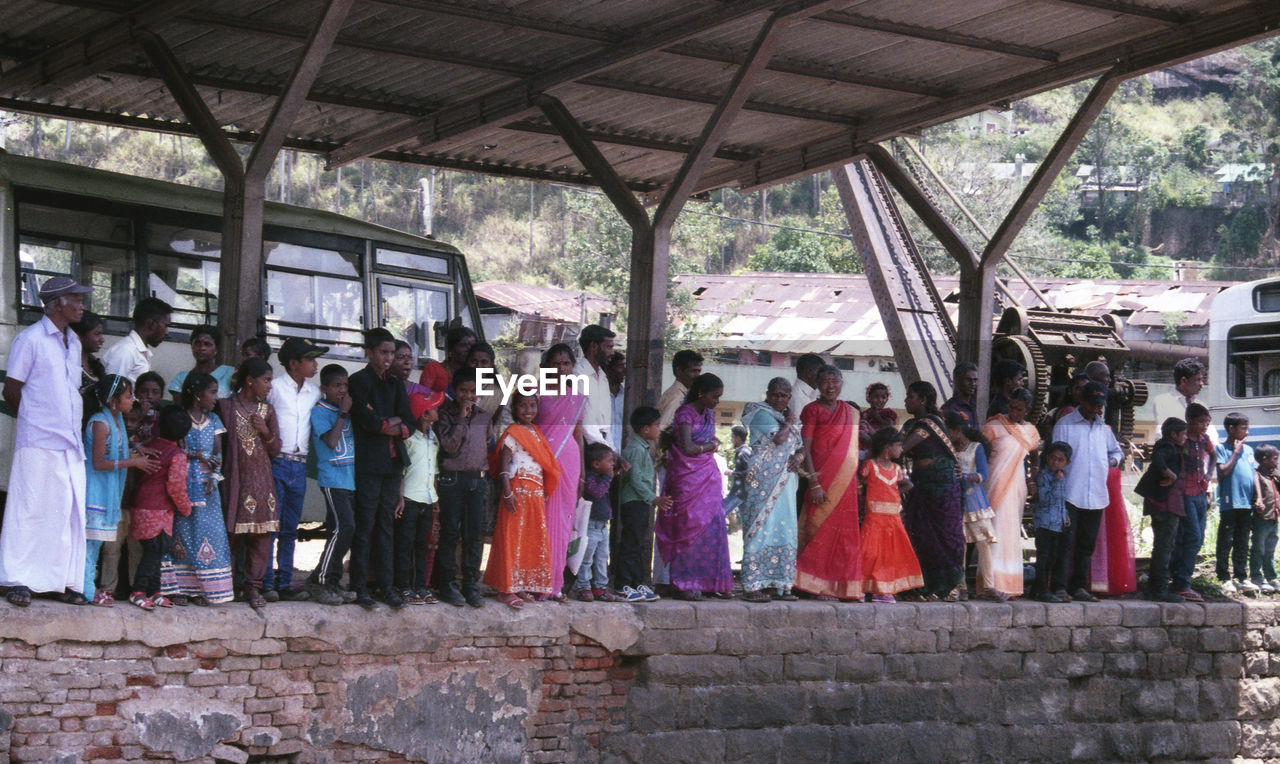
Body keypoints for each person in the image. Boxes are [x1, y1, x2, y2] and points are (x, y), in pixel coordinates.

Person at [0, 277, 94, 607]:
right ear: (57, 304)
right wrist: (35, 422)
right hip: (38, 439)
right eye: (75, 299)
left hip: (69, 442)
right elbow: (11, 389)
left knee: (64, 512)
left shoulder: (74, 343)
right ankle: (18, 580)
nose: (82, 305)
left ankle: (59, 582)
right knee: (28, 510)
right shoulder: (31, 340)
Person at [348, 328, 416, 610]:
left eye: (392, 353)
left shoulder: (396, 385)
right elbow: (366, 420)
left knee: (387, 526)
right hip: (368, 464)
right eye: (384, 353)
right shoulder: (358, 381)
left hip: (392, 464)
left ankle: (387, 587)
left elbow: (410, 422)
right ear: (370, 352)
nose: (389, 358)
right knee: (364, 525)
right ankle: (359, 587)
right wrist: (390, 424)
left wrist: (386, 425)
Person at [656, 373, 733, 600]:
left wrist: (710, 446)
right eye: (714, 396)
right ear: (701, 393)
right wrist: (710, 446)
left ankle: (711, 582)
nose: (716, 401)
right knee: (688, 528)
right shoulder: (684, 413)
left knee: (713, 527)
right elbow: (689, 447)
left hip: (708, 479)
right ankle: (685, 583)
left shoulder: (709, 413)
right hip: (686, 479)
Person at [83, 375, 158, 606]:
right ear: (114, 401)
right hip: (96, 490)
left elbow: (119, 450)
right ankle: (86, 590)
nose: (133, 399)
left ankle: (88, 587)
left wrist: (137, 450)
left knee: (97, 544)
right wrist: (133, 462)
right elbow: (98, 463)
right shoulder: (100, 423)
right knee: (90, 545)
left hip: (108, 492)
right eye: (128, 396)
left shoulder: (115, 422)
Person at [162, 372, 234, 606]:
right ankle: (180, 588)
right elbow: (176, 449)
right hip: (183, 483)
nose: (216, 397)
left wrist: (214, 475)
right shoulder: (180, 419)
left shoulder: (214, 420)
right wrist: (197, 455)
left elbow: (218, 453)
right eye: (212, 392)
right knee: (182, 533)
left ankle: (206, 588)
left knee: (207, 533)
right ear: (196, 395)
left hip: (207, 487)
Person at [485, 389, 561, 609]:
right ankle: (505, 590)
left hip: (535, 494)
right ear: (514, 409)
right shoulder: (513, 432)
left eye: (532, 406)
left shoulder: (536, 432)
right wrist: (507, 492)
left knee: (529, 540)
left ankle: (522, 585)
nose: (528, 410)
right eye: (523, 406)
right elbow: (504, 465)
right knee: (511, 539)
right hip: (517, 492)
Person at [262, 337, 325, 602]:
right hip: (276, 461)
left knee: (290, 526)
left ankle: (284, 581)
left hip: (299, 465)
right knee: (270, 525)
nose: (315, 364)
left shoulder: (314, 393)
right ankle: (265, 582)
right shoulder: (274, 388)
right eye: (310, 359)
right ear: (293, 363)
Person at [795, 365, 863, 601]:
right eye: (825, 382)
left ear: (841, 384)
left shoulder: (851, 412)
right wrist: (813, 483)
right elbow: (806, 448)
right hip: (820, 481)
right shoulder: (811, 410)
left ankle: (842, 587)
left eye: (835, 382)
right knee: (817, 530)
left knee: (844, 536)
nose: (830, 386)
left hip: (845, 485)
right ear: (817, 385)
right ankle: (813, 586)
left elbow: (853, 451)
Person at [218, 358, 282, 609]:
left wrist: (265, 431)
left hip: (262, 481)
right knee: (230, 534)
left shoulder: (268, 411)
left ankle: (253, 588)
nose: (269, 386)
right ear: (249, 380)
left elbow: (276, 449)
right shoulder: (224, 408)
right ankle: (226, 585)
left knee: (262, 536)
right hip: (235, 479)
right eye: (266, 380)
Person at [1051, 381, 1123, 602]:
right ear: (1082, 400)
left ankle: (1079, 586)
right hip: (1070, 493)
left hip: (1096, 495)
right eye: (1093, 405)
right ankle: (1059, 587)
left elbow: (1117, 451)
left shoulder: (1103, 428)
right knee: (1065, 543)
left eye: (1099, 405)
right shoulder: (1065, 424)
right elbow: (1055, 458)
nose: (1097, 410)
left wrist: (1111, 460)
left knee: (1086, 544)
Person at [435, 366, 495, 608]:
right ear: (454, 390)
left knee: (474, 535)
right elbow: (448, 447)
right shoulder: (445, 414)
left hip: (476, 480)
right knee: (450, 533)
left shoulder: (484, 416)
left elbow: (488, 447)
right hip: (452, 479)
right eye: (463, 391)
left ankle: (470, 584)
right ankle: (447, 584)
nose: (468, 396)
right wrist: (460, 417)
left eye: (472, 391)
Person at [901, 380, 965, 601]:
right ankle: (924, 585)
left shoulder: (929, 424)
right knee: (921, 534)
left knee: (946, 534)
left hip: (943, 484)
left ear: (923, 400)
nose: (906, 400)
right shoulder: (912, 424)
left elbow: (900, 448)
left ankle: (950, 585)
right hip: (922, 484)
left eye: (910, 396)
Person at [738, 379, 801, 603]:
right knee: (760, 528)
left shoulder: (786, 419)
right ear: (767, 393)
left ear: (789, 398)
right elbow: (780, 439)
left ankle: (779, 585)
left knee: (784, 529)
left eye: (784, 396)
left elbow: (799, 447)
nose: (779, 399)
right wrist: (791, 421)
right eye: (775, 395)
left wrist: (799, 457)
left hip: (785, 482)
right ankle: (752, 585)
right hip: (763, 481)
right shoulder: (759, 412)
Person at [532, 344, 586, 601]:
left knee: (562, 524)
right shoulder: (533, 391)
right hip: (539, 460)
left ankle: (554, 584)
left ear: (572, 366)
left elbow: (578, 434)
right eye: (555, 363)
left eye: (566, 363)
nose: (561, 368)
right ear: (545, 366)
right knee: (537, 521)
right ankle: (532, 582)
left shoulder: (576, 396)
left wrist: (583, 473)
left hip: (569, 462)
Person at [127, 405, 193, 611]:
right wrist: (186, 508)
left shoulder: (148, 445)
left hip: (140, 505)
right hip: (159, 512)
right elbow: (175, 487)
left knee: (155, 551)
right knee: (155, 552)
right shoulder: (177, 455)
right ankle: (138, 591)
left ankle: (156, 592)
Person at [981, 387, 1040, 600]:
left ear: (1027, 410)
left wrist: (1033, 479)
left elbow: (1034, 456)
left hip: (1016, 487)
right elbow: (981, 453)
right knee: (993, 532)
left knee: (1011, 533)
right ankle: (990, 585)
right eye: (1012, 407)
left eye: (1019, 409)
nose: (1014, 412)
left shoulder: (1031, 431)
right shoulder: (993, 426)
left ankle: (1010, 584)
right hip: (994, 484)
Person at [309, 364, 358, 606]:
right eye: (336, 385)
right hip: (332, 480)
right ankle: (320, 581)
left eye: (345, 385)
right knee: (344, 528)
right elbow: (330, 441)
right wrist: (342, 414)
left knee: (341, 531)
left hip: (350, 481)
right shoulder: (320, 412)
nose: (342, 390)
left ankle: (333, 581)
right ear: (324, 388)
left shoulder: (348, 411)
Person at [860, 427, 923, 603]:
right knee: (869, 552)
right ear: (887, 447)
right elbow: (859, 486)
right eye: (899, 445)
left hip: (892, 518)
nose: (902, 449)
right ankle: (861, 587)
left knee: (889, 555)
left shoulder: (897, 468)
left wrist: (893, 491)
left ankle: (884, 589)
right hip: (874, 517)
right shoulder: (869, 466)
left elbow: (908, 484)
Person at [396, 391, 443, 605]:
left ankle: (420, 587)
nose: (437, 410)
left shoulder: (433, 436)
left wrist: (435, 498)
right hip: (410, 498)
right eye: (433, 407)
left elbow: (433, 469)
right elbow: (401, 471)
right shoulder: (409, 439)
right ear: (424, 415)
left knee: (421, 545)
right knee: (405, 544)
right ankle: (404, 587)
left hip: (427, 499)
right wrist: (400, 498)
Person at [617, 406, 668, 602]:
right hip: (635, 502)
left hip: (641, 502)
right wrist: (653, 498)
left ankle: (637, 583)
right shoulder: (636, 450)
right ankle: (623, 585)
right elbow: (636, 480)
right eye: (656, 425)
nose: (659, 429)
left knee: (639, 544)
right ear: (645, 429)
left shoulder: (642, 448)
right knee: (631, 544)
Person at [946, 411, 998, 600]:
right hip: (955, 502)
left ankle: (989, 586)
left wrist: (966, 476)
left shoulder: (976, 448)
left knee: (983, 543)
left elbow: (983, 474)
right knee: (960, 546)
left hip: (975, 501)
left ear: (957, 430)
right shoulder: (949, 449)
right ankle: (962, 587)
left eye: (948, 431)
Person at [1135, 418, 1188, 603]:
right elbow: (1158, 461)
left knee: (1163, 546)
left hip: (1161, 502)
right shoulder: (1168, 446)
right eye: (1183, 434)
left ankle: (1154, 588)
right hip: (1165, 503)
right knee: (1164, 547)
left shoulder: (1165, 445)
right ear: (1173, 435)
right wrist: (1170, 474)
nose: (1186, 437)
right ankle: (1159, 590)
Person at [1169, 403, 1216, 602]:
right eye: (1200, 422)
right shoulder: (1183, 439)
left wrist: (1209, 475)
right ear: (1190, 421)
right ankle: (1182, 582)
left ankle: (1178, 575)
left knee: (1198, 536)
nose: (1204, 426)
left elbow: (1213, 456)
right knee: (1192, 536)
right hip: (1184, 492)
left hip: (1200, 492)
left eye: (1207, 422)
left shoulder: (1204, 440)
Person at [1216, 412, 1261, 595]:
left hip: (1246, 503)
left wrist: (1257, 496)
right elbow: (1223, 472)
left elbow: (1254, 474)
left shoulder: (1249, 450)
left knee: (1243, 541)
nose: (1247, 432)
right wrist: (1235, 453)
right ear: (1231, 429)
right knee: (1226, 540)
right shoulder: (1221, 448)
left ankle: (1241, 576)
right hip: (1230, 502)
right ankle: (1223, 576)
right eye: (1244, 428)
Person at [575, 442, 620, 602]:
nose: (612, 465)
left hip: (602, 525)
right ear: (595, 464)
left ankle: (600, 587)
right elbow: (597, 492)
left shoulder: (600, 477)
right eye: (609, 461)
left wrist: (610, 473)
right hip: (591, 525)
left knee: (602, 558)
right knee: (587, 558)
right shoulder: (589, 477)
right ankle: (583, 586)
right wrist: (608, 476)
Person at [1031, 442, 1072, 603]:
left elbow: (1062, 500)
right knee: (1043, 556)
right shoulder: (1044, 476)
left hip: (1057, 523)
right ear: (1047, 458)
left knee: (1052, 557)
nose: (1055, 462)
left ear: (1066, 462)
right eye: (1053, 458)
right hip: (1044, 523)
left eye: (1060, 460)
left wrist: (1066, 515)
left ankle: (1037, 588)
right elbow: (1044, 498)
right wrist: (1055, 481)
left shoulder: (1063, 476)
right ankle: (1041, 590)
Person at [100, 297, 172, 383]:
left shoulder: (139, 350)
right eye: (166, 326)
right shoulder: (126, 351)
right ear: (150, 324)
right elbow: (112, 391)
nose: (167, 332)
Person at [574, 324, 617, 448]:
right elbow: (587, 426)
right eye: (609, 347)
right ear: (594, 346)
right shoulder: (579, 375)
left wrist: (611, 449)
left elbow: (606, 424)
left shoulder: (602, 377)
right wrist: (608, 451)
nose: (612, 353)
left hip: (602, 446)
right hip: (588, 446)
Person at [168, 325, 235, 400]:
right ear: (192, 347)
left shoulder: (230, 373)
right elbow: (181, 408)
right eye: (197, 343)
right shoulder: (182, 378)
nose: (202, 348)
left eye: (207, 344)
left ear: (216, 349)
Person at [1152, 358, 1211, 439]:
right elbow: (1163, 433)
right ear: (1184, 380)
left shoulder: (1202, 406)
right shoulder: (1163, 401)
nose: (1202, 384)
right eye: (1198, 380)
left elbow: (1211, 434)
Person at [1254, 446, 1280, 594]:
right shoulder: (1257, 475)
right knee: (1259, 547)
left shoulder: (1274, 476)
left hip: (1274, 517)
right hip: (1262, 518)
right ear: (1264, 460)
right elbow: (1257, 494)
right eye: (1274, 459)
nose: (1277, 462)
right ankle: (1256, 576)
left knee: (1270, 548)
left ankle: (1271, 577)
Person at [658, 350, 704, 430]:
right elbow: (662, 430)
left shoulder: (682, 394)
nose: (697, 376)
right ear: (679, 371)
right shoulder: (677, 396)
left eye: (699, 371)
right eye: (693, 371)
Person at [71, 310, 107, 412]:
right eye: (97, 334)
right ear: (79, 336)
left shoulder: (96, 365)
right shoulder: (69, 365)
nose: (102, 339)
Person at [858, 382, 897, 458]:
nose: (880, 400)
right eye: (876, 397)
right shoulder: (864, 413)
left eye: (883, 397)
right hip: (863, 448)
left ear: (887, 399)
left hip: (879, 449)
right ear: (869, 398)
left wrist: (876, 416)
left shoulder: (888, 413)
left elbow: (890, 430)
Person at [722, 425, 752, 517]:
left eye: (732, 437)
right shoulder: (746, 451)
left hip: (738, 492)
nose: (731, 439)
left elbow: (750, 472)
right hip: (743, 492)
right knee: (745, 521)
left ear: (738, 438)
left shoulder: (742, 453)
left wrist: (732, 473)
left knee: (718, 514)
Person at [788, 353, 824, 420]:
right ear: (809, 372)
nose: (823, 377)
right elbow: (799, 428)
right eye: (821, 372)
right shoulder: (796, 397)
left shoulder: (811, 395)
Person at [606, 352, 626, 454]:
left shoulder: (627, 397)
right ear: (608, 369)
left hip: (622, 453)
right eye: (620, 367)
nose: (624, 371)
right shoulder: (600, 396)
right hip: (603, 456)